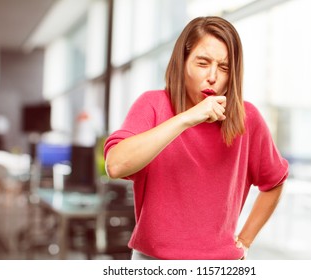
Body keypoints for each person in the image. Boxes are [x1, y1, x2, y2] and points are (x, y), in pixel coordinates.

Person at [103, 16, 289, 260]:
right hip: (152, 261)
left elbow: (274, 182)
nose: (213, 76)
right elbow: (115, 165)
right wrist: (187, 118)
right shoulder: (152, 104)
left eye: (224, 68)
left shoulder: (247, 117)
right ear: (183, 62)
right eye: (203, 63)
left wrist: (245, 239)